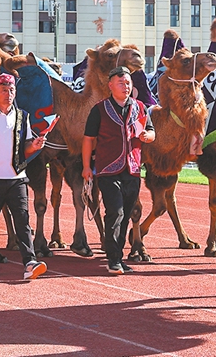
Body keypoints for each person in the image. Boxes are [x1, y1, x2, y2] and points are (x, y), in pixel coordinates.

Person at [0, 73, 48, 280]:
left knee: (23, 220)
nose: (8, 93)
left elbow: (27, 147)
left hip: (16, 178)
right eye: (4, 89)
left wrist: (35, 146)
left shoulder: (23, 116)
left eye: (11, 90)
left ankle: (29, 262)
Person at [81, 65, 155, 275]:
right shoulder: (99, 109)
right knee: (115, 212)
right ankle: (113, 258)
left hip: (132, 169)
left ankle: (118, 257)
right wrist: (87, 166)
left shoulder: (140, 107)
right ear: (110, 85)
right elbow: (88, 139)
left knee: (127, 213)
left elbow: (151, 132)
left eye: (128, 83)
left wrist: (148, 137)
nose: (126, 86)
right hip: (108, 168)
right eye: (121, 82)